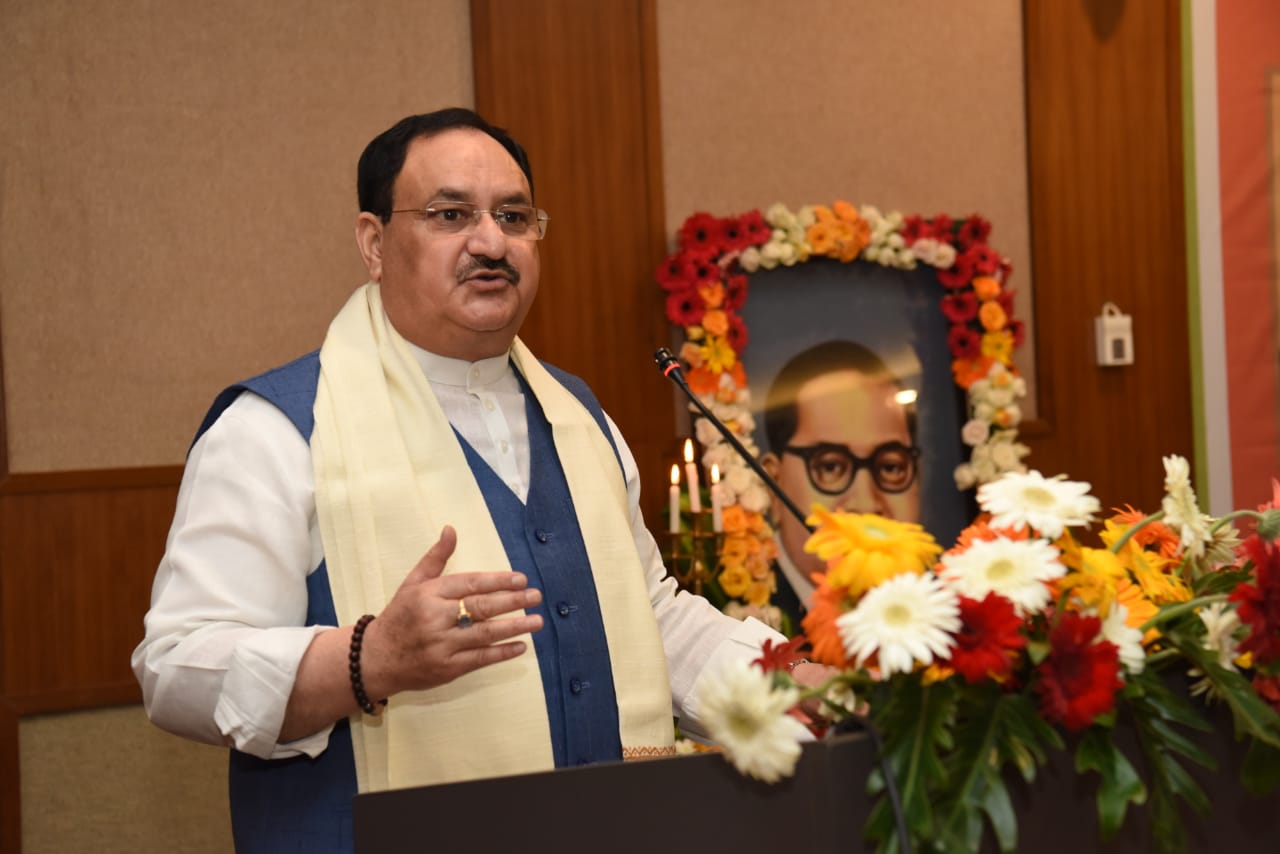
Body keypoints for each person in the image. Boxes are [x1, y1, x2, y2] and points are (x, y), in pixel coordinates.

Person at [132, 108, 826, 853]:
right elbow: (177, 669)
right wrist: (366, 661)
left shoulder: (578, 415)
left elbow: (649, 617)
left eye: (514, 216)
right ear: (373, 243)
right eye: (450, 214)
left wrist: (795, 687)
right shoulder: (274, 429)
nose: (491, 241)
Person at [760, 339, 921, 628]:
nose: (865, 502)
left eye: (890, 466)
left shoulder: (946, 613)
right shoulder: (734, 616)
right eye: (830, 466)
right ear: (774, 484)